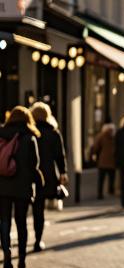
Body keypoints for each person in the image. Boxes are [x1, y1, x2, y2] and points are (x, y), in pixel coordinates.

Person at [0, 107, 42, 268]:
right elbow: (35, 165)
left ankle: (7, 254)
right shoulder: (29, 137)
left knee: (4, 222)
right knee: (21, 223)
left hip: (2, 187)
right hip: (22, 187)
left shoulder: (1, 134)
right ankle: (22, 259)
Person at [30, 102, 68, 252]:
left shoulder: (30, 132)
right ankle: (38, 240)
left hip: (30, 174)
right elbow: (60, 156)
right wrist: (63, 172)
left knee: (35, 208)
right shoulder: (53, 133)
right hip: (47, 175)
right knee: (40, 209)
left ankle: (26, 238)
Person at [91, 123, 116, 199]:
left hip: (103, 161)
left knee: (101, 179)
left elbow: (95, 147)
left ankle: (100, 194)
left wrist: (93, 154)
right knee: (112, 178)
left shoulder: (101, 136)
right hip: (113, 160)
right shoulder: (114, 136)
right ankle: (111, 191)